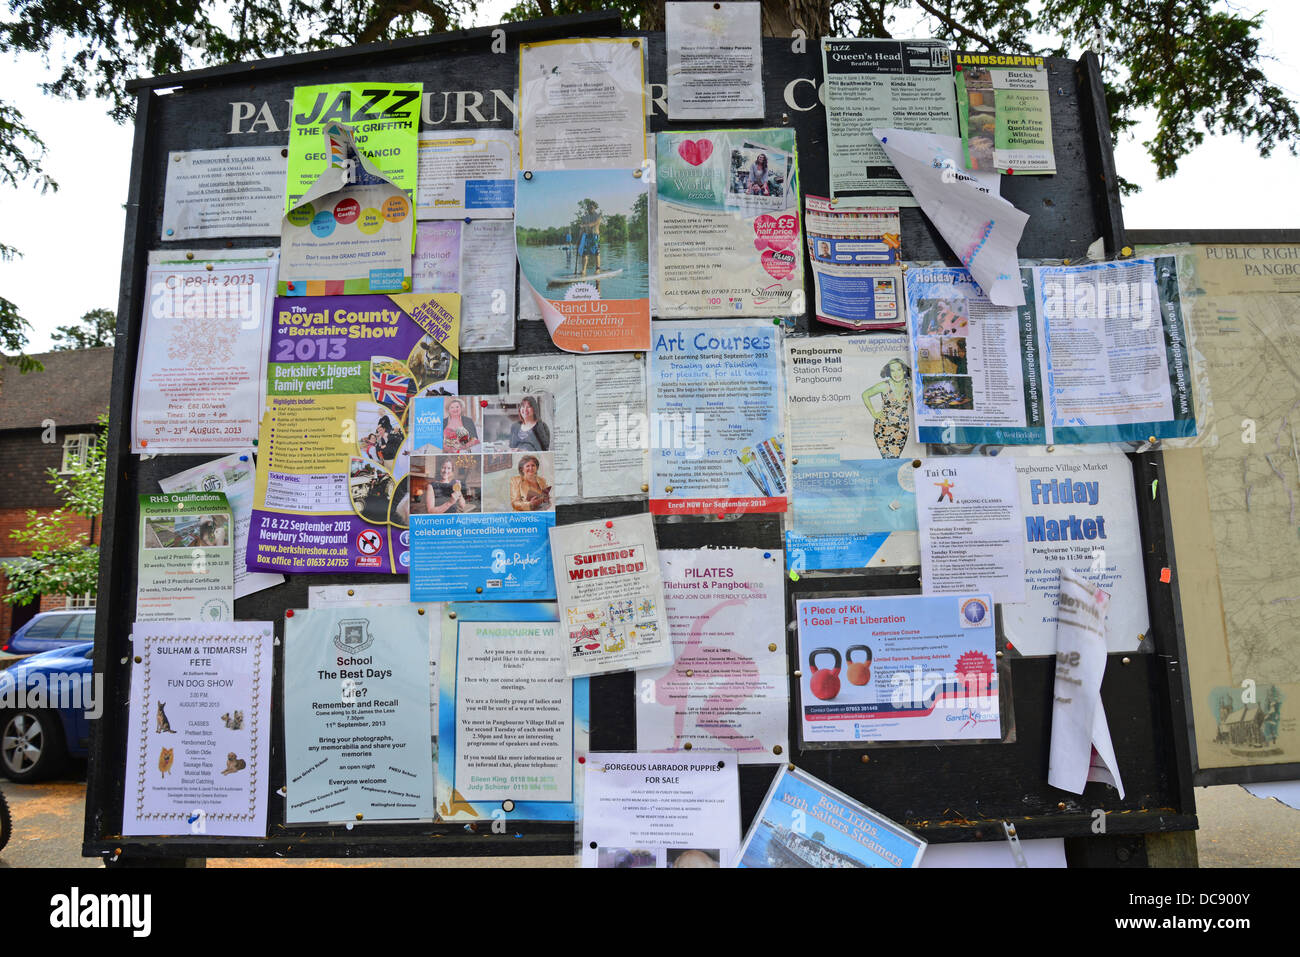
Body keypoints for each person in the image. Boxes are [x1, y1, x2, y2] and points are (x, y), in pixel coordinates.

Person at [862, 359, 912, 458]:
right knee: (888, 458)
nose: (896, 373)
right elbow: (865, 394)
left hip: (902, 428)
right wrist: (874, 413)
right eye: (892, 370)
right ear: (889, 372)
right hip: (883, 428)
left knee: (895, 457)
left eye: (898, 369)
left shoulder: (910, 384)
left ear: (904, 371)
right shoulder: (884, 385)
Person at [578, 203, 602, 276]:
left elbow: (595, 223)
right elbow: (581, 230)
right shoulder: (584, 217)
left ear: (594, 208)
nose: (590, 209)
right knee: (584, 253)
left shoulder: (598, 216)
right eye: (589, 207)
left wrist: (584, 225)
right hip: (587, 237)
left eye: (591, 207)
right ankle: (583, 270)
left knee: (596, 252)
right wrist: (578, 239)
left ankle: (598, 269)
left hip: (595, 236)